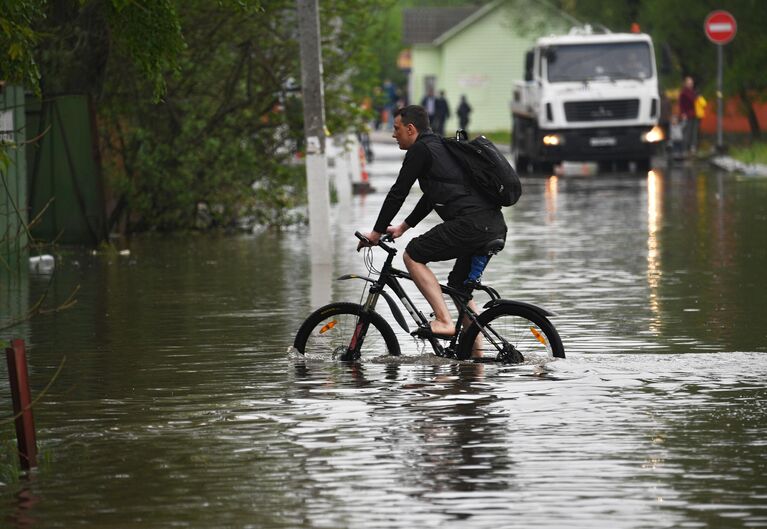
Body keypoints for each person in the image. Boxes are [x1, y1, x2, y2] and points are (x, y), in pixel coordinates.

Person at [358, 105, 507, 353]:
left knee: (413, 254)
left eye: (396, 129)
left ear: (410, 128)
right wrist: (404, 227)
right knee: (459, 288)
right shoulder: (437, 146)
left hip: (472, 224)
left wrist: (375, 233)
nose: (393, 134)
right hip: (490, 224)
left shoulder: (420, 150)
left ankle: (444, 321)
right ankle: (475, 362)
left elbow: (398, 192)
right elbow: (432, 196)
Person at [678, 76, 698, 156]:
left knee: (694, 132)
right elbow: (681, 105)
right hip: (687, 115)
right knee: (687, 132)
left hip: (694, 114)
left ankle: (692, 147)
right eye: (689, 83)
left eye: (691, 83)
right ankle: (685, 148)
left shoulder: (693, 92)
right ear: (685, 84)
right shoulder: (683, 93)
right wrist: (683, 114)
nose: (690, 84)